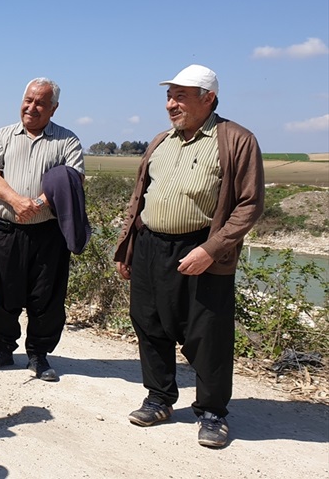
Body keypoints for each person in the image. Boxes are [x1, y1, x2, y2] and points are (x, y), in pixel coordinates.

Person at [114, 64, 264, 449]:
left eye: (180, 96)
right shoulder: (161, 141)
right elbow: (139, 197)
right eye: (169, 96)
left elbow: (248, 205)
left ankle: (213, 413)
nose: (170, 105)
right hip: (150, 246)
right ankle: (159, 397)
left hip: (201, 248)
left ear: (208, 98)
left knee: (207, 332)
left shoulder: (236, 140)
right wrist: (127, 247)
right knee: (149, 323)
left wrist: (211, 250)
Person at [0, 78, 85, 382]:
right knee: (3, 291)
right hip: (5, 228)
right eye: (28, 100)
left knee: (46, 296)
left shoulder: (67, 141)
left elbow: (73, 179)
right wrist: (15, 200)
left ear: (54, 108)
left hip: (48, 232)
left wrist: (35, 203)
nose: (32, 107)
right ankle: (3, 348)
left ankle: (38, 354)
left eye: (40, 102)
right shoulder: (3, 135)